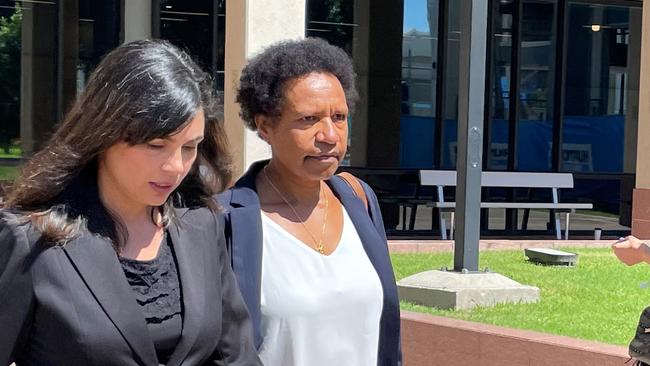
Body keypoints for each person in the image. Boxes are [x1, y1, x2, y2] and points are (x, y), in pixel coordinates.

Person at [0, 40, 261, 366]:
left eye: (189, 147)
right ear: (103, 134)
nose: (176, 167)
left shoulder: (201, 225)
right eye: (156, 145)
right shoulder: (30, 240)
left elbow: (236, 356)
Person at [218, 38, 401, 366]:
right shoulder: (227, 220)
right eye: (308, 119)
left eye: (339, 117)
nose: (330, 135)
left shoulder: (358, 200)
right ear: (265, 127)